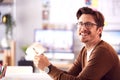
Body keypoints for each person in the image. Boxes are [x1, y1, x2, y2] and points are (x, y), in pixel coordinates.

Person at [33, 7, 120, 80]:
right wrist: (47, 66)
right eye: (80, 24)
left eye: (88, 24)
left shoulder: (102, 51)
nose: (83, 28)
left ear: (99, 30)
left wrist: (48, 68)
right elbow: (69, 75)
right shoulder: (85, 50)